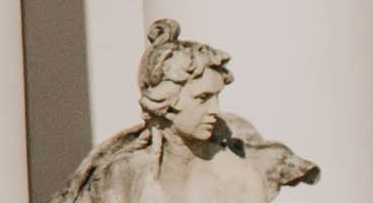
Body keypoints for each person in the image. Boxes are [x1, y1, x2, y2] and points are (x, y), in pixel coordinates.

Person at [59, 22, 316, 203]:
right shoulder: (122, 175)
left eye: (216, 98)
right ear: (166, 103)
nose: (215, 111)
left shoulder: (235, 176)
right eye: (202, 98)